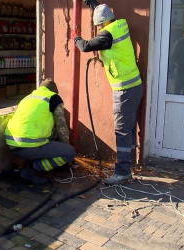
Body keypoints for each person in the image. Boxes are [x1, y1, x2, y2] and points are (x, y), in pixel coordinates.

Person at [73, 1, 143, 186]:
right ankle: (127, 166)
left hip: (124, 89)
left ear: (102, 24)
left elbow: (86, 46)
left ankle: (122, 173)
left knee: (121, 131)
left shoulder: (107, 35)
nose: (98, 29)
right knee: (128, 129)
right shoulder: (119, 25)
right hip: (135, 86)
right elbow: (99, 9)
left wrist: (75, 38)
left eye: (98, 26)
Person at [4, 79, 76, 185]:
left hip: (11, 144)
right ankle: (31, 170)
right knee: (70, 152)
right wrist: (64, 147)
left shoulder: (27, 98)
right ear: (54, 90)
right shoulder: (54, 98)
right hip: (29, 146)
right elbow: (62, 127)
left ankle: (30, 163)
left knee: (49, 135)